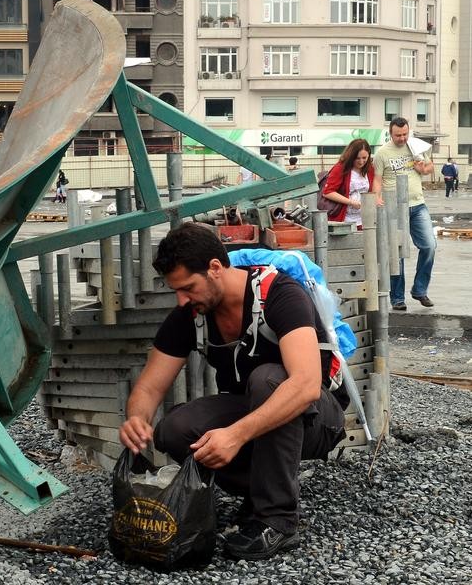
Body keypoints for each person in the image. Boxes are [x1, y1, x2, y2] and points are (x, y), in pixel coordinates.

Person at [119, 222, 348, 561]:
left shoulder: (280, 294)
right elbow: (151, 386)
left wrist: (236, 435)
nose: (182, 299)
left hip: (318, 418)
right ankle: (261, 491)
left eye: (188, 288)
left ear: (215, 268)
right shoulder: (193, 312)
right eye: (176, 291)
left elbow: (305, 385)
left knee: (269, 379)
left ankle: (278, 519)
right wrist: (136, 418)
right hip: (256, 408)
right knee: (174, 429)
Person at [373, 117, 436, 311]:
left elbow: (429, 167)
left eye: (405, 134)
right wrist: (376, 197)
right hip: (394, 207)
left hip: (418, 205)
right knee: (396, 253)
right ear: (390, 134)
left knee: (430, 246)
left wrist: (422, 168)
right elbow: (377, 179)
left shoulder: (415, 146)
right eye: (398, 135)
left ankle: (419, 290)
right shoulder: (382, 153)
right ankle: (397, 298)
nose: (402, 138)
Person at [320, 139, 375, 229]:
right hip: (344, 220)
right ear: (351, 156)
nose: (361, 161)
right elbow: (327, 192)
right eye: (357, 158)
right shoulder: (340, 168)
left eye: (364, 158)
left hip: (364, 220)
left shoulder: (370, 169)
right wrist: (351, 202)